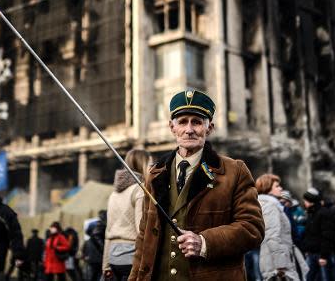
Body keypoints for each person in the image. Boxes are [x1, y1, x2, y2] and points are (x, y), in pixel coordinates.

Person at [130, 89, 264, 281]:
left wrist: (205, 242)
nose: (189, 129)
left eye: (197, 122)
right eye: (182, 121)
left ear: (209, 128)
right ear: (172, 127)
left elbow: (253, 228)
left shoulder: (235, 171)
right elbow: (143, 239)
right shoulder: (155, 174)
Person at [103, 148, 150, 281]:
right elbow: (142, 230)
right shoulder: (139, 190)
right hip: (131, 256)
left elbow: (108, 230)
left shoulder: (113, 194)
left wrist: (106, 265)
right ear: (143, 165)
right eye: (150, 163)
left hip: (113, 257)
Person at [257, 174, 303, 281]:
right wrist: (281, 265)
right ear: (268, 189)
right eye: (277, 186)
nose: (281, 188)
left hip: (277, 261)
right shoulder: (271, 206)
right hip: (278, 266)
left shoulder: (270, 205)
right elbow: (272, 236)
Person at [300, 188, 335, 281]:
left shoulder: (324, 213)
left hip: (321, 255)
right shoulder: (310, 213)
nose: (304, 202)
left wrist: (324, 256)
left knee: (325, 278)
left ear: (311, 201)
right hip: (311, 253)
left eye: (305, 200)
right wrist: (307, 249)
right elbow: (309, 234)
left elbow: (327, 235)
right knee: (308, 278)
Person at [83, 216, 105, 281]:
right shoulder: (100, 240)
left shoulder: (88, 241)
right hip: (97, 262)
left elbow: (84, 252)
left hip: (93, 262)